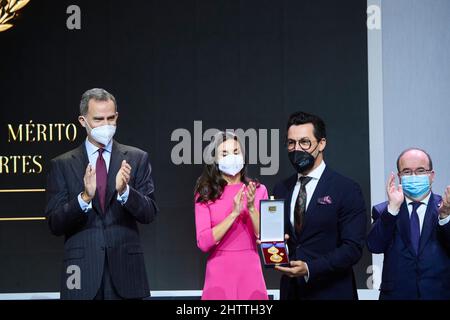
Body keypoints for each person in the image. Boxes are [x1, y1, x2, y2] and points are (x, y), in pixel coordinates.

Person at [45, 88, 159, 300]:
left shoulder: (136, 158)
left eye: (110, 118)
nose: (106, 125)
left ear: (117, 116)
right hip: (80, 274)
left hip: (127, 273)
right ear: (82, 120)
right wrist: (84, 199)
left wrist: (125, 191)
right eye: (98, 119)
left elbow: (149, 213)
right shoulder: (61, 165)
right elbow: (54, 223)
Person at [272, 111, 367, 300]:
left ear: (321, 144)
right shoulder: (281, 188)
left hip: (333, 292)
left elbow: (353, 248)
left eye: (304, 142)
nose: (296, 149)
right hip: (292, 293)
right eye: (291, 143)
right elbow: (284, 239)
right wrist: (271, 244)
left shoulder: (346, 189)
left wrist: (310, 268)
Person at [367, 148, 450, 300]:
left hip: (439, 294)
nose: (414, 176)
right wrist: (392, 209)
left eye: (420, 171)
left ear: (432, 176)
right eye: (406, 172)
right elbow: (374, 246)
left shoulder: (445, 207)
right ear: (399, 176)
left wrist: (445, 217)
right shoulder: (383, 210)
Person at [194, 131, 268, 300]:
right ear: (216, 160)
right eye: (225, 153)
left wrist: (250, 207)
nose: (232, 157)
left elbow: (264, 235)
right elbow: (204, 242)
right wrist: (234, 213)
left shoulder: (258, 190)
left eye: (236, 152)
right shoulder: (205, 194)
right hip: (219, 274)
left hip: (250, 273)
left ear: (243, 156)